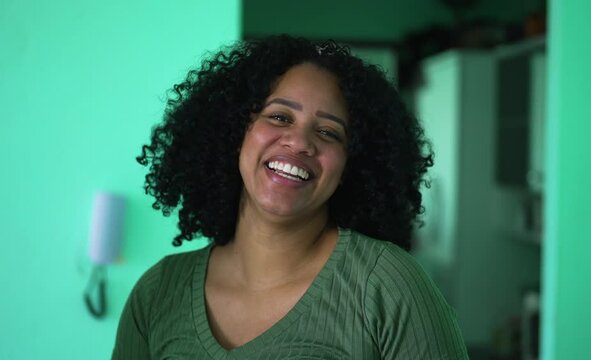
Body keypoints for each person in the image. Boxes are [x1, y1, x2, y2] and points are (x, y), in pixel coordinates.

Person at [112, 35, 468, 359]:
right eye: (280, 116)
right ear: (235, 133)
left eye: (329, 132)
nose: (299, 142)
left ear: (351, 166)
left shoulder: (388, 286)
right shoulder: (157, 293)